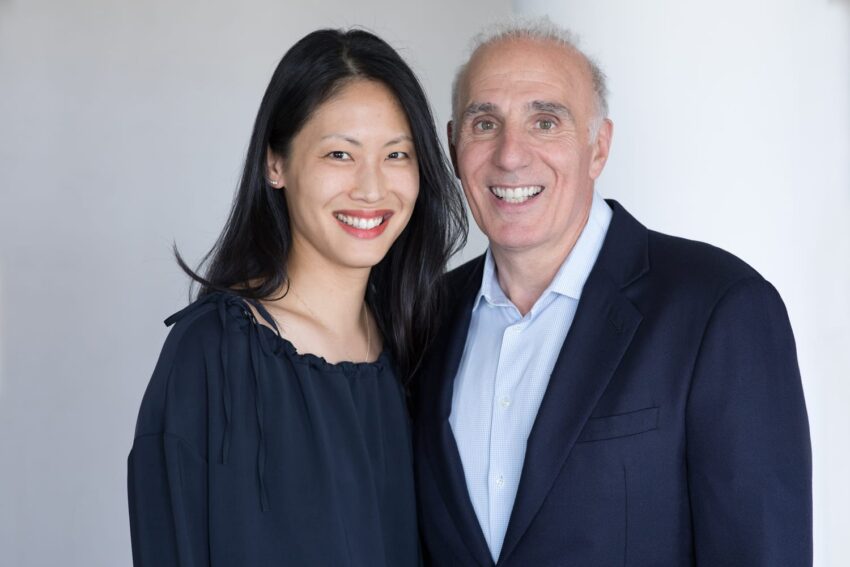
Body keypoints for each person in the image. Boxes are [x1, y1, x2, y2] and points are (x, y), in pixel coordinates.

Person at [413, 17, 812, 566]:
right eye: (485, 123)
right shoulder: (425, 318)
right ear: (455, 145)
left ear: (598, 147)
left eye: (545, 122)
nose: (510, 155)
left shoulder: (719, 307)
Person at [128, 28, 466, 566]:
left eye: (396, 154)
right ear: (276, 164)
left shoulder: (419, 347)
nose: (372, 189)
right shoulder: (213, 353)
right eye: (340, 154)